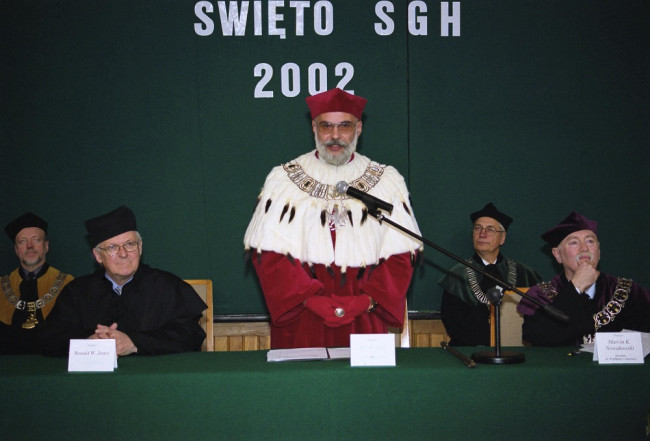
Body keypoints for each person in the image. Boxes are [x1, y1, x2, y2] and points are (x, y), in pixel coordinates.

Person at [244, 88, 422, 349]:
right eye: (326, 126)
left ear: (358, 128)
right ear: (313, 127)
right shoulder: (282, 179)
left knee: (365, 389)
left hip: (365, 316)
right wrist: (308, 299)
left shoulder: (387, 181)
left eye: (344, 126)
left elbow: (401, 256)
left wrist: (367, 300)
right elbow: (269, 257)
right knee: (303, 388)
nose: (335, 135)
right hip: (303, 317)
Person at [39, 205, 206, 356]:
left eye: (130, 244)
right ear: (98, 255)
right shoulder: (77, 292)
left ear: (140, 248)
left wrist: (134, 343)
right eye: (112, 247)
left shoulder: (168, 287)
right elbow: (50, 338)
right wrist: (89, 342)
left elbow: (191, 335)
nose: (123, 253)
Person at [518, 211, 650, 346]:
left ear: (599, 251)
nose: (584, 248)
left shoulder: (629, 292)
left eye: (590, 241)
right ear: (557, 255)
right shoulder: (540, 295)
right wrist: (576, 287)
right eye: (574, 243)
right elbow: (535, 336)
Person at [438, 203, 542, 346]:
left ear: (502, 238)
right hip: (469, 352)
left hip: (516, 350)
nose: (482, 234)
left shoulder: (524, 274)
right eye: (477, 228)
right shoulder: (457, 275)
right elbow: (453, 322)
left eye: (490, 229)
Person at [0, 212, 74, 354]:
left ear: (46, 246)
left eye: (36, 240)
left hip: (55, 363)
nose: (29, 246)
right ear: (16, 250)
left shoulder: (68, 283)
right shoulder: (1, 287)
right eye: (22, 241)